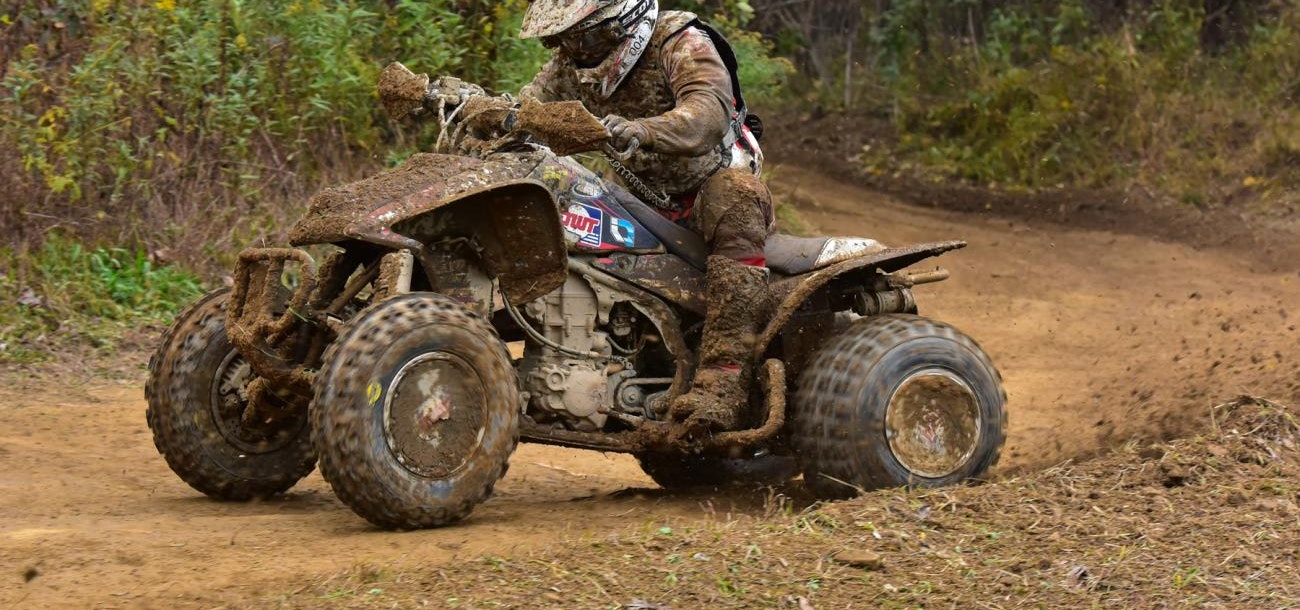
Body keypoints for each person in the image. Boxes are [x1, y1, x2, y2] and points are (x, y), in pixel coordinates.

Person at [519, 0, 772, 434]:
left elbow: (707, 113)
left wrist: (644, 129)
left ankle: (722, 385)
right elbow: (529, 110)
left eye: (582, 36)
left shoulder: (680, 41)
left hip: (710, 185)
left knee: (735, 199)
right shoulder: (571, 63)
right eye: (559, 39)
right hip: (639, 195)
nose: (571, 49)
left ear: (621, 23)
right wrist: (489, 115)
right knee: (562, 192)